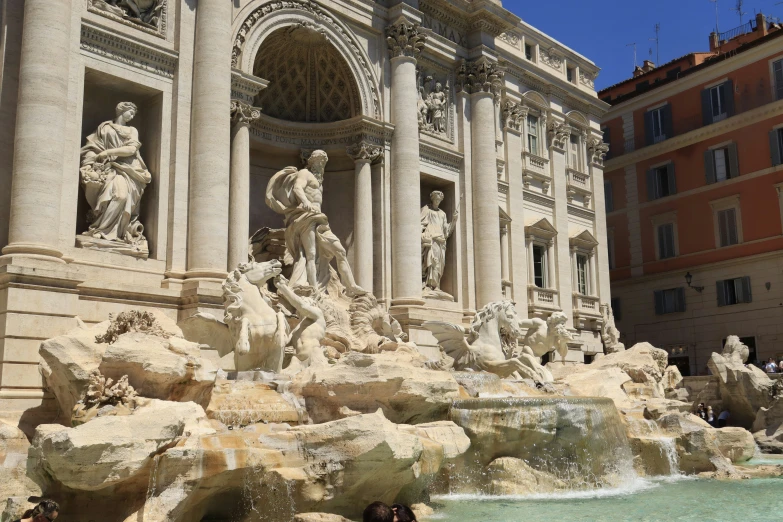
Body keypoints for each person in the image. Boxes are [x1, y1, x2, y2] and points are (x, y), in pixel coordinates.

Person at [265, 150, 366, 296]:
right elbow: (297, 188)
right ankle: (314, 290)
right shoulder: (305, 173)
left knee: (340, 251)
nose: (321, 166)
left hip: (320, 219)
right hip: (306, 217)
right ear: (311, 162)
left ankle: (351, 286)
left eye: (323, 163)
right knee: (310, 255)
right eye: (318, 162)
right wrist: (305, 201)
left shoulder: (319, 182)